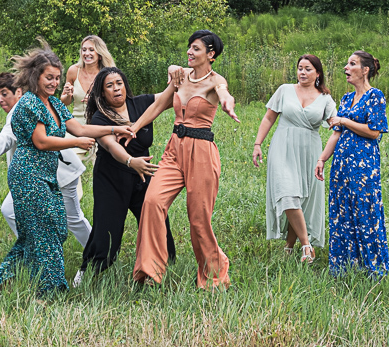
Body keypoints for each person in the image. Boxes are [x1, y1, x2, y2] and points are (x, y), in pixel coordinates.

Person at [0, 44, 134, 295]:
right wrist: (76, 143)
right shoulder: (29, 104)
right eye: (49, 77)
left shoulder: (54, 104)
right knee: (44, 231)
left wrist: (114, 128)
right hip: (28, 173)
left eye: (57, 78)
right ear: (35, 76)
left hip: (48, 174)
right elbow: (42, 141)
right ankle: (51, 289)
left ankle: (7, 273)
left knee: (56, 226)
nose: (54, 83)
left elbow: (80, 128)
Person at [131, 30, 240, 289]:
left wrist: (228, 104)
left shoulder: (216, 81)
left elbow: (225, 93)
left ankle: (215, 274)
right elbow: (158, 106)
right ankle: (150, 271)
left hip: (201, 152)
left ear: (210, 55)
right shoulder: (180, 76)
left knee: (198, 218)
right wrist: (135, 127)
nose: (190, 52)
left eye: (196, 49)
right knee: (152, 201)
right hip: (174, 149)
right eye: (189, 48)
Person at [0, 72, 91, 247]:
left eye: (4, 93)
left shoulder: (24, 110)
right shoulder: (23, 108)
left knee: (74, 220)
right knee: (10, 210)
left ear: (18, 92)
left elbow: (3, 141)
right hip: (34, 176)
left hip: (62, 173)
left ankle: (99, 257)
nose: (0, 99)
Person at [73, 67, 176, 287]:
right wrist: (131, 161)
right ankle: (87, 272)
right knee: (107, 230)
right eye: (109, 86)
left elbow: (173, 94)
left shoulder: (141, 103)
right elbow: (110, 146)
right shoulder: (101, 118)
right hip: (112, 176)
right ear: (102, 93)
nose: (116, 88)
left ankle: (162, 268)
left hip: (143, 174)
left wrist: (174, 70)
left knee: (157, 220)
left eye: (118, 83)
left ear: (125, 85)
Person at [252, 55, 337, 263]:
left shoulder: (325, 99)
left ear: (318, 73)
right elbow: (269, 117)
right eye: (300, 68)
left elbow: (336, 126)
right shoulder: (284, 90)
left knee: (301, 198)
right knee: (288, 193)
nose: (302, 72)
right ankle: (307, 246)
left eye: (308, 69)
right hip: (282, 147)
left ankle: (289, 247)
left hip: (309, 151)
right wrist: (257, 144)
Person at [316, 50, 389, 277]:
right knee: (342, 211)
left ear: (365, 70)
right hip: (342, 164)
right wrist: (322, 159)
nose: (346, 68)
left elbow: (374, 132)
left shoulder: (375, 96)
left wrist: (345, 120)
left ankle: (372, 267)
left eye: (352, 64)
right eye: (347, 64)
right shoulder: (347, 99)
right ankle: (345, 267)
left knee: (365, 211)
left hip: (364, 165)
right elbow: (336, 133)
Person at [60, 35, 115, 165]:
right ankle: (74, 186)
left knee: (106, 166)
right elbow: (64, 102)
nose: (87, 53)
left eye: (91, 50)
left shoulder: (108, 73)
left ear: (99, 54)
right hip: (77, 127)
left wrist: (95, 102)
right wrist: (67, 94)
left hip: (101, 126)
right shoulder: (74, 71)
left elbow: (116, 102)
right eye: (84, 50)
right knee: (65, 160)